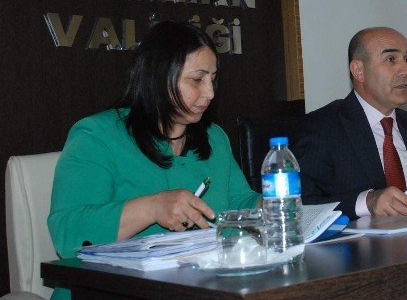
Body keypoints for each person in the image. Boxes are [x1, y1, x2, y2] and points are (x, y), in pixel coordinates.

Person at [48, 21, 260, 300]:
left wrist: (269, 206)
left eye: (213, 79)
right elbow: (68, 232)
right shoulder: (96, 136)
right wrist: (152, 208)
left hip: (198, 289)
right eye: (197, 80)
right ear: (160, 77)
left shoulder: (214, 138)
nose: (209, 93)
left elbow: (239, 202)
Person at [293, 27, 407, 219]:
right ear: (359, 71)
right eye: (391, 59)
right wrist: (367, 202)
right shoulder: (321, 128)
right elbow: (298, 206)